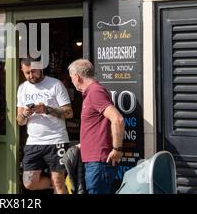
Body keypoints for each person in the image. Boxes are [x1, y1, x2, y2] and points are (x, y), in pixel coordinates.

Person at [17, 57, 74, 194]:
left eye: (34, 71)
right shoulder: (22, 88)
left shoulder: (55, 84)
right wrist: (25, 114)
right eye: (27, 73)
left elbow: (69, 113)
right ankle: (58, 184)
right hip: (33, 142)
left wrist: (47, 109)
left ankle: (59, 185)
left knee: (58, 182)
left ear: (41, 68)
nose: (31, 75)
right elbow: (19, 121)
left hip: (56, 140)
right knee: (29, 183)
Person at [68, 59, 125, 194]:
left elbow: (117, 119)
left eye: (71, 78)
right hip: (94, 161)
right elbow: (97, 126)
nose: (72, 81)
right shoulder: (90, 94)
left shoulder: (95, 92)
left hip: (99, 162)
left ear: (77, 77)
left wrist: (117, 149)